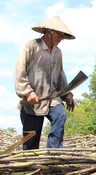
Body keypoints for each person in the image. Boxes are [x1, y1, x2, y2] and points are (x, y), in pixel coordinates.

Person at [14, 16, 76, 150]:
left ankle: (53, 154)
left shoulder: (58, 53)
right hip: (33, 100)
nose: (61, 38)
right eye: (59, 34)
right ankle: (30, 166)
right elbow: (20, 72)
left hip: (52, 97)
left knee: (60, 115)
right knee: (31, 140)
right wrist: (28, 92)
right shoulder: (31, 47)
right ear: (49, 32)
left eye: (63, 35)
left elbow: (60, 76)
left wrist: (67, 95)